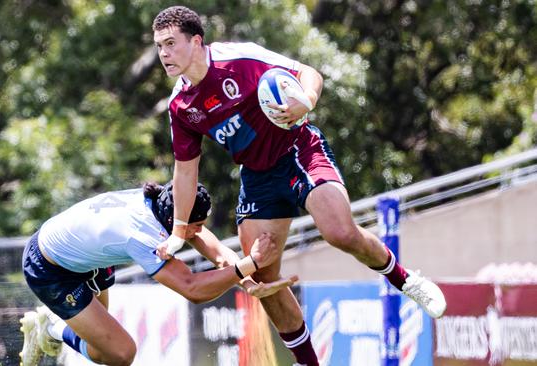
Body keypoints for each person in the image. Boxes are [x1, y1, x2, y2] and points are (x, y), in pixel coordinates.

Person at [152, 6, 447, 366]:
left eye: (170, 43)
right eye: (159, 46)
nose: (164, 54)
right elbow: (185, 172)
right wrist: (180, 232)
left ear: (196, 41)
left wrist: (306, 100)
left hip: (298, 151)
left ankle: (406, 281)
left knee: (339, 232)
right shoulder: (181, 106)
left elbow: (308, 73)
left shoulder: (239, 59)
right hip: (257, 176)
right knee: (261, 278)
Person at [18, 182, 296, 366]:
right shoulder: (143, 237)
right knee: (120, 353)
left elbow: (214, 249)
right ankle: (52, 328)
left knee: (104, 346)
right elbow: (192, 289)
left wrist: (248, 279)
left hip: (85, 257)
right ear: (177, 220)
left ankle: (54, 328)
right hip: (50, 268)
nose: (198, 233)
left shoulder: (165, 201)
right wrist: (251, 263)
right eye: (195, 226)